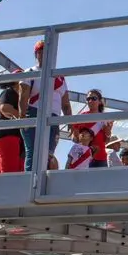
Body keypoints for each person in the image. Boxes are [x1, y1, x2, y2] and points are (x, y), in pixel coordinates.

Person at [18, 40, 74, 172]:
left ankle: (45, 183)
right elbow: (23, 97)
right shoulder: (30, 72)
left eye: (48, 51)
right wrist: (22, 118)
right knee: (33, 150)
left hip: (53, 118)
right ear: (36, 54)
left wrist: (70, 123)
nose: (45, 54)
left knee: (49, 154)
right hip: (33, 114)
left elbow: (65, 104)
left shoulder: (59, 78)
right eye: (41, 51)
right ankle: (30, 183)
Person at [78, 89, 113, 168]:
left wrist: (107, 133)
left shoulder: (105, 119)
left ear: (100, 101)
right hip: (85, 156)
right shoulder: (82, 116)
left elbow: (106, 140)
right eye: (88, 99)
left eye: (93, 98)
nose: (90, 101)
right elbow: (75, 138)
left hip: (101, 158)